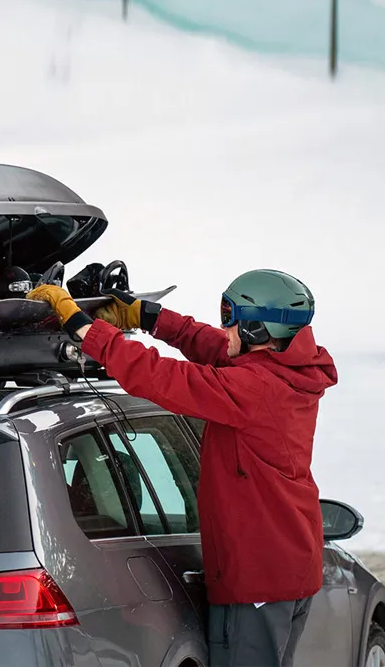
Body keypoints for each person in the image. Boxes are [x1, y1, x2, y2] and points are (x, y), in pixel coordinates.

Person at [28, 268, 338, 667]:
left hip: (258, 578)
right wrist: (149, 316)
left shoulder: (254, 389)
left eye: (231, 320)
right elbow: (214, 346)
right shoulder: (287, 373)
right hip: (285, 567)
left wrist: (86, 329)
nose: (224, 328)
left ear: (259, 331)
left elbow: (159, 377)